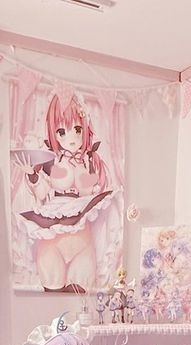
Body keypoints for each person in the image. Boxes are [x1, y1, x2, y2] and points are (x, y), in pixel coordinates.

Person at [14, 92, 113, 293]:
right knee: (51, 293)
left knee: (83, 300)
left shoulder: (89, 159)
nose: (71, 137)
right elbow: (41, 193)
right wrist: (32, 175)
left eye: (77, 129)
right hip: (54, 232)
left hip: (83, 241)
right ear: (55, 134)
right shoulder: (50, 160)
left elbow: (95, 191)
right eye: (62, 131)